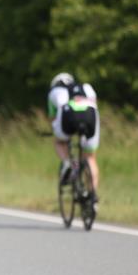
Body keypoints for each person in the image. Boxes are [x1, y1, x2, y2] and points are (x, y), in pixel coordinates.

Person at [48, 73, 100, 203]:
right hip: (90, 114)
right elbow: (94, 106)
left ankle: (68, 163)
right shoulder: (87, 87)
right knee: (90, 157)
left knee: (60, 141)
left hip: (68, 115)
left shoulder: (54, 92)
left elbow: (53, 119)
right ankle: (92, 196)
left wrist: (58, 133)